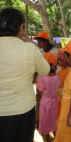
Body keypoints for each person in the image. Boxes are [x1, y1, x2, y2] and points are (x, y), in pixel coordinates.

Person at [0, 8, 50, 142]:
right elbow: (45, 70)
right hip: (24, 112)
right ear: (21, 27)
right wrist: (29, 41)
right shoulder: (29, 48)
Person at [36, 52, 60, 142]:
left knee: (44, 124)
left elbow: (39, 93)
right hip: (55, 103)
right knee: (54, 123)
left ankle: (47, 140)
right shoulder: (57, 77)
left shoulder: (42, 77)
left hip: (45, 103)